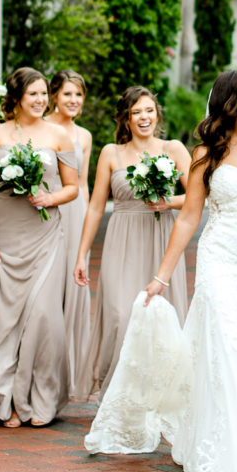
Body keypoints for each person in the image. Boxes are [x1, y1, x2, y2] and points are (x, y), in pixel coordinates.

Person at [88, 70, 237, 472]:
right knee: (231, 349)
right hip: (221, 261)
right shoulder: (207, 152)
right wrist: (162, 276)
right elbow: (189, 216)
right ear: (235, 100)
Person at [0, 66, 79, 427]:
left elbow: (73, 187)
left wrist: (50, 197)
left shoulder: (58, 136)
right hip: (6, 238)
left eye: (44, 94)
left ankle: (40, 400)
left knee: (44, 319)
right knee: (7, 319)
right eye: (33, 95)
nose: (41, 100)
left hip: (44, 236)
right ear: (17, 99)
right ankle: (8, 401)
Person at [75, 86, 190, 396]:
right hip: (121, 241)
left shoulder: (173, 149)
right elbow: (97, 206)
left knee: (162, 318)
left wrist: (168, 202)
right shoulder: (110, 153)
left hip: (162, 238)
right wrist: (82, 255)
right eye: (136, 112)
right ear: (126, 118)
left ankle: (160, 394)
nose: (144, 117)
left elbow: (197, 197)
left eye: (149, 110)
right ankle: (118, 394)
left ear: (157, 114)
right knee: (119, 315)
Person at [45, 70, 93, 399]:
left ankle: (65, 376)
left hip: (75, 212)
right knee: (46, 289)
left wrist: (86, 227)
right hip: (44, 209)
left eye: (78, 95)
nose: (73, 101)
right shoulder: (41, 128)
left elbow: (83, 183)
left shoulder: (85, 137)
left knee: (69, 291)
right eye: (67, 95)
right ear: (53, 97)